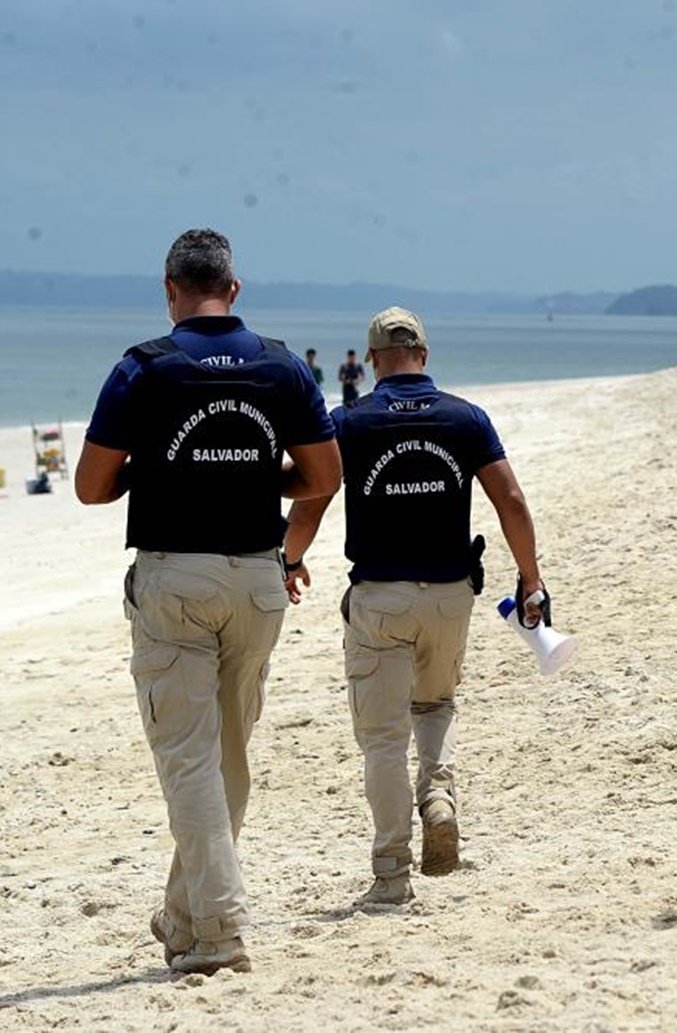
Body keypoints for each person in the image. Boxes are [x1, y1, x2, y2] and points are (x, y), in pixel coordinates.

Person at [74, 228, 342, 975]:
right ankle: (185, 916)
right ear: (235, 288)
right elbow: (323, 475)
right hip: (258, 577)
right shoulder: (281, 364)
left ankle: (220, 928)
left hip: (178, 580)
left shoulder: (144, 368)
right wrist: (259, 480)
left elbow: (92, 486)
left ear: (169, 289)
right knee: (226, 757)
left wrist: (158, 474)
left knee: (189, 760)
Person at [282, 306, 549, 906]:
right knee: (436, 702)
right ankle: (438, 795)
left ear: (373, 360)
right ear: (424, 355)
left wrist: (289, 559)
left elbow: (312, 503)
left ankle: (391, 872)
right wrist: (530, 578)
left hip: (380, 596)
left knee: (382, 739)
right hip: (452, 594)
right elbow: (510, 498)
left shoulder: (349, 421)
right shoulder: (466, 418)